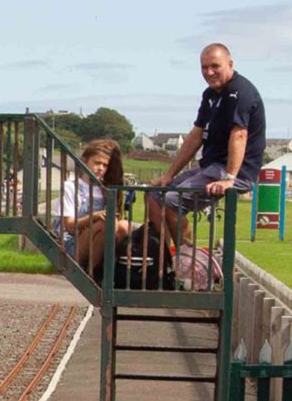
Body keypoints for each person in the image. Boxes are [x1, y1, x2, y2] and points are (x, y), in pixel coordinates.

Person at [149, 44, 266, 255]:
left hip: (234, 171)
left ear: (230, 64)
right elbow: (196, 135)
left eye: (215, 66)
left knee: (171, 200)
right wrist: (169, 175)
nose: (209, 72)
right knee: (154, 195)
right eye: (204, 67)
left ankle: (190, 260)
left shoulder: (241, 92)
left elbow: (239, 135)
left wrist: (230, 178)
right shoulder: (210, 94)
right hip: (211, 167)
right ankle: (167, 259)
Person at [58, 138, 131, 278]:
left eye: (105, 165)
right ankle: (93, 272)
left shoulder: (105, 189)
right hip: (74, 243)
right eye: (97, 163)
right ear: (85, 161)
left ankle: (108, 268)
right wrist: (95, 216)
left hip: (98, 242)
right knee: (104, 223)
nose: (101, 169)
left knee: (124, 225)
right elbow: (69, 225)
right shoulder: (71, 186)